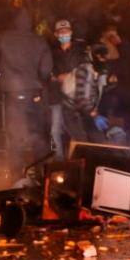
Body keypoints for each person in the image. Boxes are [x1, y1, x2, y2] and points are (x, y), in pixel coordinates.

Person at [0, 8, 51, 177]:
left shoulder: (3, 38)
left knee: (14, 137)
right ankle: (44, 175)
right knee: (38, 135)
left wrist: (4, 77)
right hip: (34, 95)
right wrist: (36, 80)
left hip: (12, 95)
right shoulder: (39, 41)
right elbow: (46, 70)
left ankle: (17, 177)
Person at [49, 19, 88, 157]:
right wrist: (56, 77)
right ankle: (59, 162)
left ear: (71, 32)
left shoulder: (80, 52)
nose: (63, 34)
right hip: (57, 96)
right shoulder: (52, 53)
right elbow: (47, 72)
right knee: (55, 130)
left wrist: (70, 76)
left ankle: (80, 160)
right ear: (56, 34)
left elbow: (86, 72)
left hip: (74, 97)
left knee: (76, 131)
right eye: (60, 32)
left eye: (66, 31)